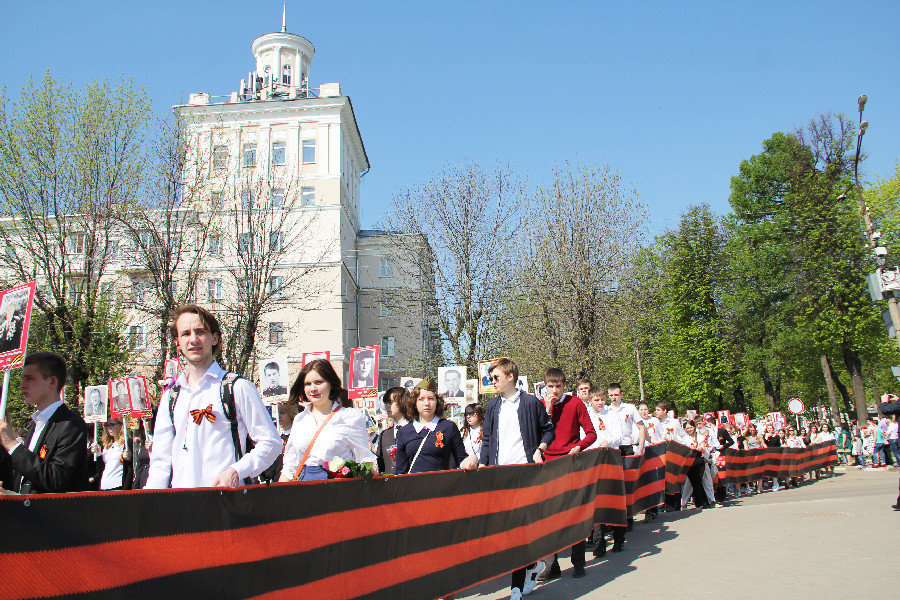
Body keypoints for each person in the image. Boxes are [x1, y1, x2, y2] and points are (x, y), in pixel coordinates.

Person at [146, 305, 282, 489]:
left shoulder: (237, 387)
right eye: (185, 333)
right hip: (182, 506)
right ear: (178, 342)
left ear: (214, 338)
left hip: (225, 503)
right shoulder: (171, 396)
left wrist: (236, 471)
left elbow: (271, 442)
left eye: (200, 331)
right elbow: (160, 461)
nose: (193, 339)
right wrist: (150, 503)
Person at [479, 358, 555, 600]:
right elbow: (488, 438)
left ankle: (516, 585)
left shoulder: (530, 402)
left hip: (525, 472)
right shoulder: (492, 405)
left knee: (520, 529)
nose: (493, 382)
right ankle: (530, 565)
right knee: (506, 529)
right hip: (500, 474)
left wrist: (540, 449)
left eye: (496, 378)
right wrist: (483, 464)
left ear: (510, 376)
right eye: (492, 378)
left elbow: (549, 429)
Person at [0, 352, 88, 494]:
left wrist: (11, 444)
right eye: (22, 379)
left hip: (54, 514)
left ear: (52, 382)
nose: (22, 385)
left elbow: (55, 479)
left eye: (29, 379)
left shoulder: (71, 425)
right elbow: (26, 479)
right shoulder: (36, 425)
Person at [537, 368, 596, 581]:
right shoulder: (541, 406)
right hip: (548, 465)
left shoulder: (575, 403)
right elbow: (539, 432)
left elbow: (591, 433)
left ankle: (578, 562)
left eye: (558, 386)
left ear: (564, 386)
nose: (554, 390)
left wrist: (578, 447)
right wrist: (548, 408)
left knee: (573, 514)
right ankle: (551, 565)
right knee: (550, 517)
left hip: (570, 462)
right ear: (544, 386)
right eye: (550, 386)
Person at [279, 359, 376, 481]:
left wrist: (369, 468)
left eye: (318, 382)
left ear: (331, 383)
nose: (313, 388)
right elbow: (290, 466)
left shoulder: (350, 417)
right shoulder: (300, 419)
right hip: (304, 489)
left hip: (337, 491)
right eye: (308, 384)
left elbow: (364, 458)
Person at [394, 383, 474, 474]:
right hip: (414, 486)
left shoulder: (449, 427)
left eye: (431, 399)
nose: (427, 403)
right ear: (415, 403)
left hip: (441, 484)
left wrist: (471, 459)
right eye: (421, 399)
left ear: (437, 402)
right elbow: (400, 470)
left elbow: (461, 459)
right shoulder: (405, 431)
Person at [605, 382, 646, 551]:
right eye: (611, 395)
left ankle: (628, 517)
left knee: (628, 485)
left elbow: (641, 427)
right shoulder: (606, 410)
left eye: (616, 394)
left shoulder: (629, 409)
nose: (614, 398)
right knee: (615, 487)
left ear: (621, 394)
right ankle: (617, 520)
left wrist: (641, 448)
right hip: (613, 449)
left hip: (628, 447)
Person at [584, 388, 623, 557]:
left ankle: (619, 535)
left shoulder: (612, 416)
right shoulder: (586, 416)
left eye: (602, 400)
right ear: (590, 401)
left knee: (612, 500)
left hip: (609, 458)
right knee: (596, 502)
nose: (600, 403)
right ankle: (599, 541)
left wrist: (609, 441)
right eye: (596, 400)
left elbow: (618, 436)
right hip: (593, 459)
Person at [90, 419, 133, 491]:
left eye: (112, 425)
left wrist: (125, 489)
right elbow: (101, 470)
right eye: (107, 425)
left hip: (118, 485)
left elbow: (130, 468)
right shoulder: (108, 445)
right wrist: (98, 455)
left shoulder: (127, 443)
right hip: (104, 486)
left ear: (121, 425)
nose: (109, 428)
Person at [375, 387, 407, 475]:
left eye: (391, 402)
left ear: (402, 402)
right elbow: (380, 464)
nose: (387, 406)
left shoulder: (415, 430)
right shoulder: (385, 435)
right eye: (386, 403)